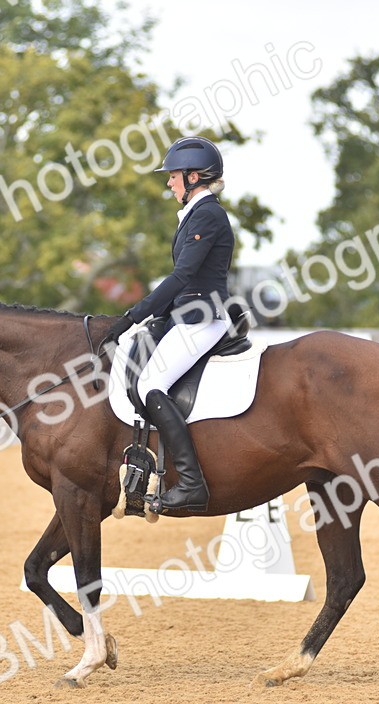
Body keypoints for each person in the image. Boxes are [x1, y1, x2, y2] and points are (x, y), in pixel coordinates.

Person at [100, 136, 235, 512]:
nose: (169, 182)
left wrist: (133, 315)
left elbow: (182, 277)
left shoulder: (207, 215)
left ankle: (191, 482)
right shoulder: (194, 215)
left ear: (194, 177)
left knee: (151, 383)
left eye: (174, 176)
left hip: (202, 316)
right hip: (184, 314)